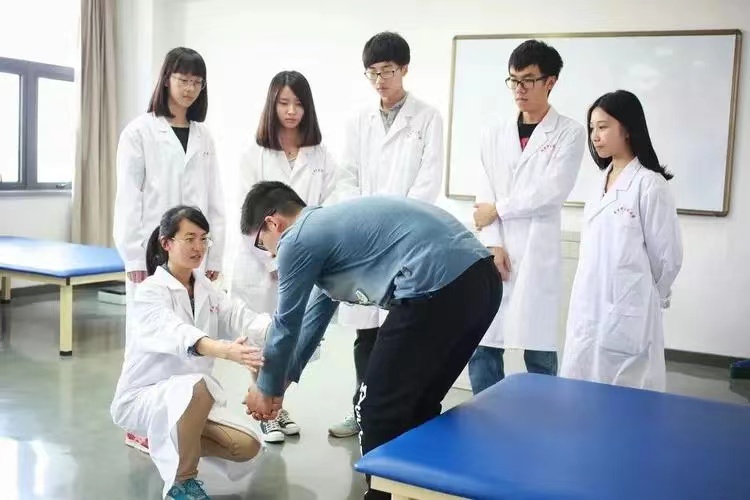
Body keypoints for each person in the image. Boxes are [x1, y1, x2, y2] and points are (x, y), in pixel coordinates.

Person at [239, 181, 501, 500]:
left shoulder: (297, 238)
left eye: (261, 243)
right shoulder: (328, 233)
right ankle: (417, 493)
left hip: (437, 286)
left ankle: (383, 496)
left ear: (273, 223)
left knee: (374, 407)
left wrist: (265, 388)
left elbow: (285, 323)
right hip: (481, 282)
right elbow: (310, 324)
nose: (269, 253)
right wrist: (279, 385)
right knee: (415, 405)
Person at [110, 206, 270, 500]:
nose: (199, 247)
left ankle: (163, 438)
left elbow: (241, 316)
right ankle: (182, 483)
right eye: (190, 238)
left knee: (247, 445)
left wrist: (282, 329)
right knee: (197, 385)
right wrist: (225, 350)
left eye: (204, 239)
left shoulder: (207, 290)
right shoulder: (149, 292)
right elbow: (177, 333)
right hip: (145, 397)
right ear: (167, 243)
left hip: (190, 402)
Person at [330, 30, 444, 438]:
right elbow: (346, 175)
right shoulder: (358, 120)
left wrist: (394, 224)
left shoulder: (427, 118)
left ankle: (398, 414)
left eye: (388, 71)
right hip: (365, 242)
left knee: (402, 333)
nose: (380, 80)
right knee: (367, 332)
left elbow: (428, 179)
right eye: (373, 72)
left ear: (405, 69)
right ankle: (362, 410)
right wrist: (364, 220)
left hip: (407, 241)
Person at [113, 47, 226, 452]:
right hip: (152, 253)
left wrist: (215, 256)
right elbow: (129, 198)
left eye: (197, 82)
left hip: (193, 251)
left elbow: (214, 200)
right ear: (166, 81)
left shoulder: (204, 136)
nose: (190, 88)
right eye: (183, 80)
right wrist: (133, 257)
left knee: (191, 334)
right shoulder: (139, 132)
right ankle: (140, 422)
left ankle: (184, 414)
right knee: (148, 341)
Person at [469, 39, 586, 394]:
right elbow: (484, 192)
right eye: (514, 80)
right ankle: (486, 412)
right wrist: (493, 245)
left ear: (550, 82)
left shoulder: (569, 133)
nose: (519, 89)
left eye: (528, 80)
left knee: (539, 349)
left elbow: (551, 192)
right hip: (496, 248)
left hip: (537, 251)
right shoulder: (493, 132)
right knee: (484, 343)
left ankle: (542, 416)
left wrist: (499, 209)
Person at [230, 70, 337, 443]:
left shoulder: (321, 156)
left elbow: (326, 210)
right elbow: (248, 217)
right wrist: (276, 260)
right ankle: (265, 411)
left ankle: (275, 404)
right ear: (271, 105)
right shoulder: (254, 154)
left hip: (303, 264)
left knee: (289, 338)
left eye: (298, 104)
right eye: (284, 103)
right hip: (259, 263)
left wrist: (297, 259)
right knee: (260, 338)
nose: (291, 111)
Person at [561, 90, 683, 391]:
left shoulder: (649, 184)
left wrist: (644, 295)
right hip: (589, 305)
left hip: (629, 308)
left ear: (627, 129)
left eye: (603, 127)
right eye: (592, 128)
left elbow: (667, 257)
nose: (595, 136)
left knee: (628, 397)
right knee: (582, 392)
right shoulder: (599, 182)